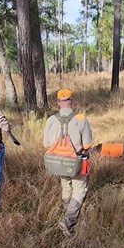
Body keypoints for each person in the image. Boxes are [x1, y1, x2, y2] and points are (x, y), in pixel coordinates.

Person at [43, 89, 93, 236]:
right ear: (71, 101)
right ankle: (68, 220)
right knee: (80, 189)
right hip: (75, 162)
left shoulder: (51, 120)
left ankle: (67, 211)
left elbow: (46, 144)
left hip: (57, 163)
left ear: (58, 103)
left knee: (66, 185)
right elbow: (88, 144)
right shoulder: (81, 118)